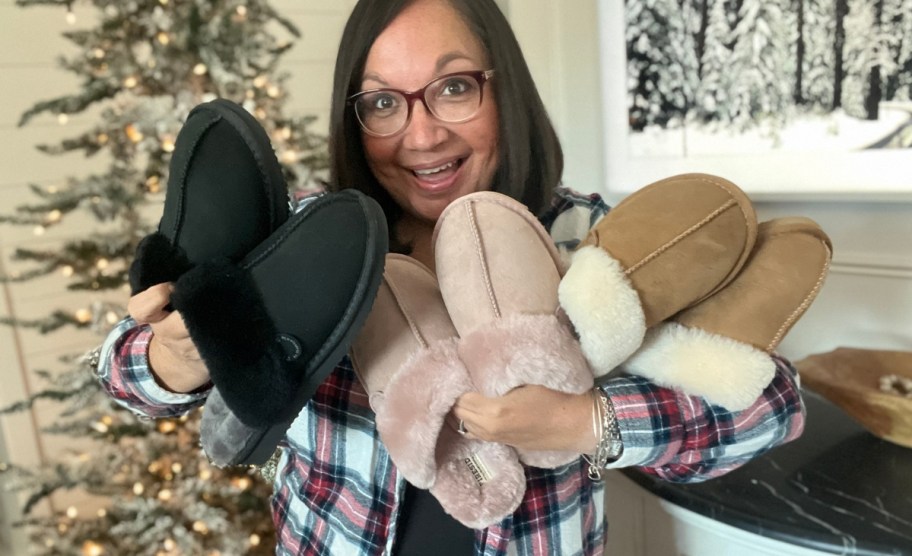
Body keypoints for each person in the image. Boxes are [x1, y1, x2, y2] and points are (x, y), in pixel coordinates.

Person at [96, 0, 806, 554]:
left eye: (455, 87)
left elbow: (770, 403)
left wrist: (589, 421)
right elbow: (122, 374)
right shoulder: (307, 237)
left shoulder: (589, 241)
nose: (423, 134)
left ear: (506, 90)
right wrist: (177, 353)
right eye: (381, 102)